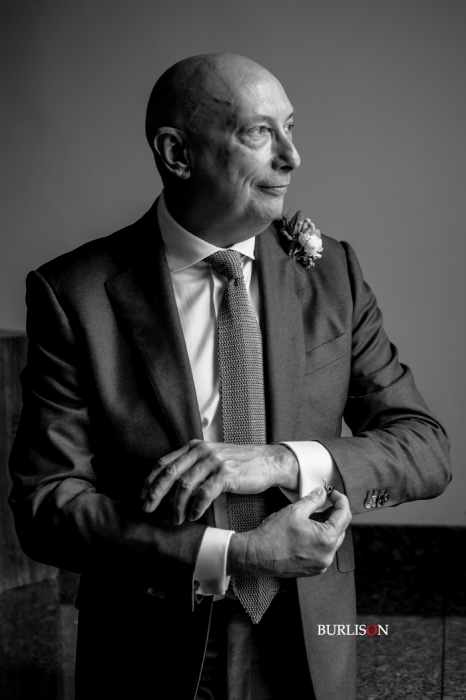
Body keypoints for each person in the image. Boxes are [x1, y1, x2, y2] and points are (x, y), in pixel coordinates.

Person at [9, 53, 450, 700]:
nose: (292, 157)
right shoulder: (74, 294)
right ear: (177, 154)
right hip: (149, 651)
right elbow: (46, 506)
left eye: (290, 128)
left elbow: (426, 450)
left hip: (313, 644)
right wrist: (233, 554)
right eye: (259, 132)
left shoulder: (334, 274)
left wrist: (281, 461)